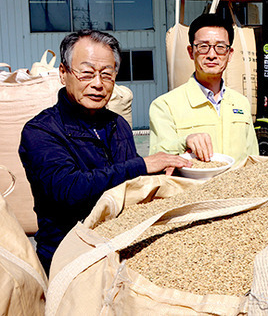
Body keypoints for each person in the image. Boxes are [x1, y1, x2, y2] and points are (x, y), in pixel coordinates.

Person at [19, 30, 191, 273]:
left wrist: (162, 174)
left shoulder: (117, 124)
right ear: (63, 73)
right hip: (68, 257)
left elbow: (130, 189)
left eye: (107, 75)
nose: (98, 84)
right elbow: (69, 189)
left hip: (119, 251)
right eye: (87, 73)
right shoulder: (41, 131)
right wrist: (141, 165)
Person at [149, 14, 258, 162]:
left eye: (220, 47)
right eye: (203, 47)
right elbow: (157, 158)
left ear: (229, 54)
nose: (212, 55)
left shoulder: (241, 103)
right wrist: (184, 142)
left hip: (238, 185)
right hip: (193, 185)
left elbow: (253, 159)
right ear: (191, 52)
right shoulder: (165, 106)